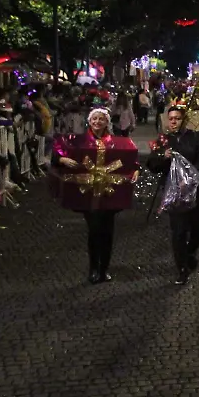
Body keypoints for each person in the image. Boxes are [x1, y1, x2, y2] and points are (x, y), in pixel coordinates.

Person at [51, 108, 140, 284]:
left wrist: (136, 169)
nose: (97, 122)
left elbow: (131, 159)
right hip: (88, 195)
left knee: (107, 232)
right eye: (94, 119)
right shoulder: (77, 141)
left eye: (101, 119)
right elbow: (57, 153)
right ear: (89, 121)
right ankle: (93, 268)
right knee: (94, 230)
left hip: (109, 195)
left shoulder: (118, 143)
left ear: (107, 122)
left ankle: (104, 269)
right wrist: (62, 159)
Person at [147, 106, 199, 285]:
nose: (173, 122)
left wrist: (190, 179)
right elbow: (152, 165)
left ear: (184, 120)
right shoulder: (163, 141)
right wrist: (163, 157)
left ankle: (190, 252)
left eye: (177, 118)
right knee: (179, 231)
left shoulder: (197, 138)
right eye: (171, 119)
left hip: (195, 191)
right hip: (174, 194)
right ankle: (182, 268)